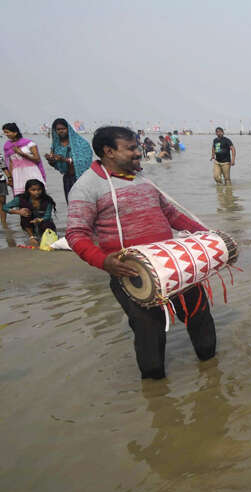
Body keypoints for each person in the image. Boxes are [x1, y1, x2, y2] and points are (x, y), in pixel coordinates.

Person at [66, 126, 216, 379]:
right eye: (132, 148)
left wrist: (208, 237)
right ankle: (157, 393)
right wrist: (104, 261)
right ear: (108, 152)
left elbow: (173, 214)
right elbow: (76, 234)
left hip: (174, 264)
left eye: (137, 147)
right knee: (149, 333)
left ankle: (212, 376)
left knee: (200, 318)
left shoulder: (142, 179)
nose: (139, 152)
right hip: (132, 274)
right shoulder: (87, 187)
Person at [45, 118, 93, 202]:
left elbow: (85, 161)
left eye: (63, 129)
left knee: (85, 203)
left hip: (82, 178)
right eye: (58, 129)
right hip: (68, 179)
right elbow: (55, 165)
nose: (61, 131)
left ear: (68, 129)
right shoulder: (56, 145)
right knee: (72, 205)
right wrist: (51, 160)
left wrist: (63, 159)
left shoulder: (81, 143)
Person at [3, 179, 57, 244]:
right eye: (33, 190)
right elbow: (5, 207)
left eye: (39, 190)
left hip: (44, 223)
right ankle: (31, 237)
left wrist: (39, 220)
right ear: (28, 190)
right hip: (28, 222)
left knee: (46, 226)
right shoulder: (21, 199)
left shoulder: (47, 200)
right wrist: (19, 212)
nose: (36, 192)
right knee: (26, 214)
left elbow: (47, 216)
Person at [3, 123, 46, 196]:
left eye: (7, 132)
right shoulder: (7, 146)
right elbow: (10, 163)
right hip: (17, 174)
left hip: (31, 172)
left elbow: (37, 159)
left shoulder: (29, 143)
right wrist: (10, 178)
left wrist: (22, 153)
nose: (6, 134)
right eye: (5, 132)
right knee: (21, 197)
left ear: (15, 132)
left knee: (36, 194)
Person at [0, 148, 9, 227]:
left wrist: (9, 177)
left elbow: (4, 167)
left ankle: (4, 223)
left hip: (1, 181)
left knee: (2, 202)